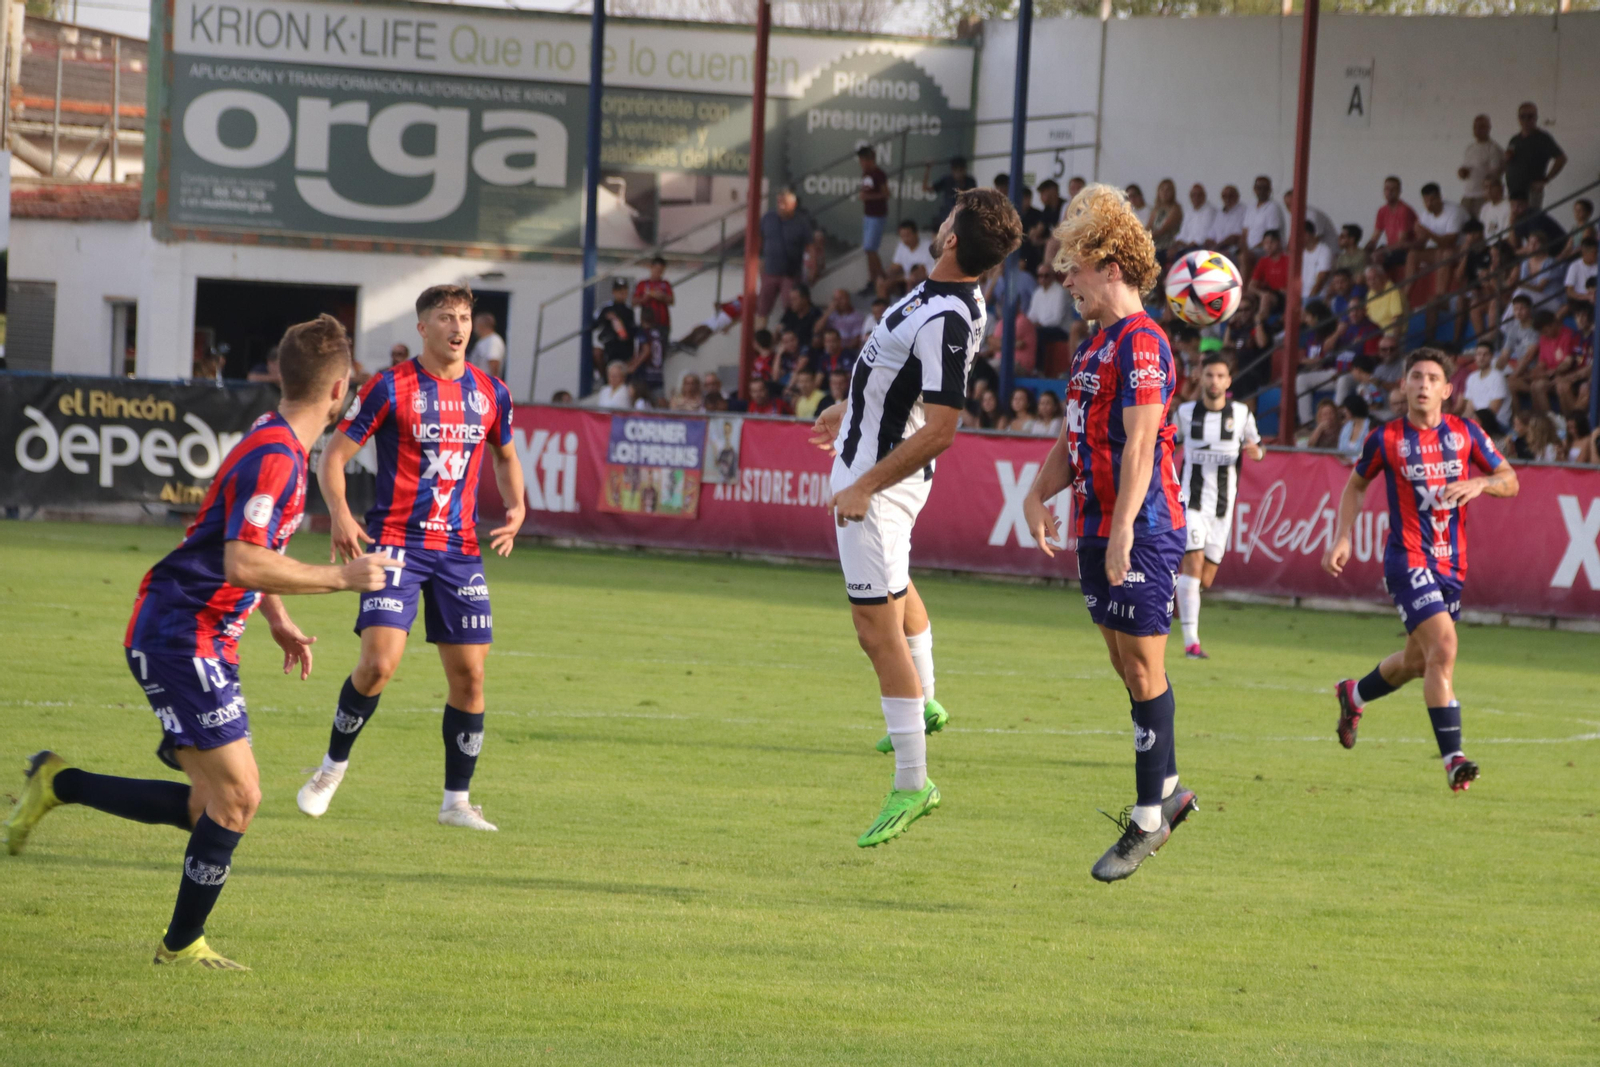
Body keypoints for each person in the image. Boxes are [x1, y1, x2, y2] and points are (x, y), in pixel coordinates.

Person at [3, 315, 397, 970]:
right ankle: (180, 944)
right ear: (341, 391)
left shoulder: (275, 445)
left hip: (199, 631)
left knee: (205, 804)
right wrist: (339, 577)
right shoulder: (276, 458)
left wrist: (273, 616)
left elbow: (238, 550)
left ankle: (57, 781)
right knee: (239, 797)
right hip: (181, 633)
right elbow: (243, 560)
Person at [807, 187, 1020, 849]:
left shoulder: (949, 314)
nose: (942, 221)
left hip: (878, 483)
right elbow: (900, 375)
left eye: (950, 217)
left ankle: (912, 781)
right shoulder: (940, 297)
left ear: (954, 239)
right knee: (897, 594)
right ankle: (924, 700)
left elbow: (946, 426)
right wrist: (852, 406)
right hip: (872, 456)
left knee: (875, 630)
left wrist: (865, 484)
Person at [296, 285, 527, 832]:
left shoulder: (492, 392)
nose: (459, 326)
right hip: (397, 542)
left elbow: (507, 456)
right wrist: (343, 514)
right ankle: (330, 768)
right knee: (378, 665)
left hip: (460, 549)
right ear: (422, 328)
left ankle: (456, 802)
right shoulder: (388, 387)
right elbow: (334, 456)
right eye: (446, 316)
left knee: (471, 677)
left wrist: (517, 508)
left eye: (466, 317)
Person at [1021, 184, 1195, 883]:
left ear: (1111, 268)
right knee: (1126, 668)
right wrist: (1037, 493)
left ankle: (1149, 818)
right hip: (1095, 528)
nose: (1066, 279)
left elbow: (1142, 444)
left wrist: (1124, 529)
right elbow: (1073, 439)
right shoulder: (1093, 349)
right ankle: (1171, 787)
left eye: (1075, 267)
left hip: (1143, 527)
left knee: (1146, 667)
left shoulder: (1145, 342)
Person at [1323, 348, 1519, 792]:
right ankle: (1454, 759)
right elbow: (1355, 485)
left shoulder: (1467, 433)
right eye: (1416, 376)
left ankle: (1353, 694)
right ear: (1404, 386)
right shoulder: (1387, 438)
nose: (1424, 384)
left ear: (1448, 389)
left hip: (1453, 564)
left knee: (1416, 662)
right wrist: (1342, 536)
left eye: (1433, 377)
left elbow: (1510, 478)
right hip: (1407, 559)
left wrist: (1482, 482)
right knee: (1444, 649)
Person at [1172, 354, 1264, 660]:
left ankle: (1175, 588)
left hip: (1223, 508)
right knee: (1194, 567)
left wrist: (1256, 453)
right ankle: (1191, 643)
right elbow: (1167, 445)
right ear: (1200, 377)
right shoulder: (1185, 413)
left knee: (1204, 580)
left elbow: (1258, 448)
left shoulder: (1240, 415)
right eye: (1209, 375)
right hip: (1191, 501)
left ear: (1228, 381)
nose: (1214, 381)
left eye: (1220, 376)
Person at [758, 188, 814, 319]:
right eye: (779, 202)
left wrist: (812, 267)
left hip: (791, 274)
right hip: (769, 272)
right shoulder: (768, 218)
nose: (781, 206)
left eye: (785, 203)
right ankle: (760, 336)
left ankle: (789, 331)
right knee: (762, 308)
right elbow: (759, 242)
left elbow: (810, 246)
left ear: (793, 204)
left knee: (791, 306)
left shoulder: (801, 222)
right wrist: (760, 264)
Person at [1504, 102, 1566, 211]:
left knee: (1531, 221)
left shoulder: (1542, 138)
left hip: (1531, 191)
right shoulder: (1514, 139)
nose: (1526, 120)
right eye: (1523, 116)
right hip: (1513, 191)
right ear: (1518, 118)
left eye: (1530, 116)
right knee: (1515, 223)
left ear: (1536, 118)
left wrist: (1546, 179)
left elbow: (1561, 158)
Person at [1365, 176, 1419, 276]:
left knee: (1377, 257)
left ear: (1399, 191)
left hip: (1407, 251)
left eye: (1393, 189)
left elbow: (1402, 242)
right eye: (1387, 189)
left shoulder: (1404, 210)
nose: (1389, 192)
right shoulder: (1382, 211)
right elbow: (1375, 237)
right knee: (1363, 258)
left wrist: (1382, 251)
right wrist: (1365, 250)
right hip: (1391, 249)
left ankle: (1384, 288)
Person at [858, 146, 891, 294]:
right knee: (868, 249)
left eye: (863, 160)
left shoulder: (879, 174)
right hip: (868, 214)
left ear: (869, 160)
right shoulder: (866, 173)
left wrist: (869, 197)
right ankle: (873, 279)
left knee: (871, 248)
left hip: (877, 215)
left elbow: (886, 194)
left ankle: (880, 278)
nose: (861, 163)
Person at [1458, 114, 1503, 218]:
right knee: (1466, 228)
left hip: (1483, 196)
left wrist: (1490, 194)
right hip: (1468, 195)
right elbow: (1465, 171)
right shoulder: (1470, 148)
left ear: (1489, 128)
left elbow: (1495, 174)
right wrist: (1462, 173)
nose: (1478, 130)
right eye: (1475, 127)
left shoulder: (1493, 148)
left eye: (1482, 127)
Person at [593, 281, 636, 377]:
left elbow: (631, 333)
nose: (621, 293)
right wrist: (607, 318)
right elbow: (595, 323)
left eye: (624, 290)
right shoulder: (606, 308)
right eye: (619, 290)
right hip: (609, 348)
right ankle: (605, 379)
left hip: (625, 351)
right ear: (613, 292)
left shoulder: (629, 311)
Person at [923, 156, 976, 228]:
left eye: (961, 170)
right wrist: (928, 169)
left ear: (965, 170)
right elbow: (926, 189)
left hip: (964, 217)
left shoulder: (970, 181)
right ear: (952, 171)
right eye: (956, 170)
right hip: (947, 216)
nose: (959, 174)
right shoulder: (946, 180)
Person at [674, 296, 743, 351]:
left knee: (708, 329)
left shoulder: (748, 304)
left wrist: (729, 326)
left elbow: (740, 317)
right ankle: (682, 342)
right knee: (700, 327)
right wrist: (719, 305)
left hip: (727, 318)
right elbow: (725, 304)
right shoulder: (740, 298)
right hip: (721, 314)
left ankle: (694, 344)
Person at [629, 307, 667, 401]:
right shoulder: (659, 333)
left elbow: (646, 350)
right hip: (658, 374)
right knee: (658, 406)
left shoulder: (643, 332)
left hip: (645, 375)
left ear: (641, 318)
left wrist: (633, 366)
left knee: (642, 404)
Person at [1027, 265, 1071, 345]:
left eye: (1046, 276)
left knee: (1038, 333)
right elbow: (1032, 315)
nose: (1043, 279)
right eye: (1040, 276)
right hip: (1043, 328)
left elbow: (1057, 319)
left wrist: (1040, 324)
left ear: (1052, 276)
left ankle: (1039, 358)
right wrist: (1030, 324)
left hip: (1061, 330)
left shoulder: (1060, 292)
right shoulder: (1037, 292)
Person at [1171, 183, 1217, 261]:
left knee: (1185, 259)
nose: (1196, 198)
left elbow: (1203, 236)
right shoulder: (1189, 212)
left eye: (1199, 195)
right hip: (1186, 247)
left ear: (1204, 196)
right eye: (1193, 195)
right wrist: (1178, 243)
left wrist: (1186, 245)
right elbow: (1183, 232)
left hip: (1200, 247)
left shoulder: (1210, 211)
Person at [632, 257, 675, 337]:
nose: (658, 273)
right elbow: (633, 302)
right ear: (651, 268)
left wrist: (662, 296)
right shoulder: (642, 284)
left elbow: (672, 301)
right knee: (646, 347)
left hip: (663, 324)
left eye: (661, 271)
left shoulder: (665, 284)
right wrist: (645, 298)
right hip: (646, 324)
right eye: (657, 269)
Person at [1207, 183, 1246, 261]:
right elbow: (1210, 236)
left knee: (1218, 258)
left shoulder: (1243, 210)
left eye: (1230, 196)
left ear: (1237, 197)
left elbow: (1235, 237)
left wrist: (1218, 246)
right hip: (1218, 248)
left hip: (1234, 248)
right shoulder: (1219, 213)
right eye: (1224, 196)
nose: (1227, 198)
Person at [890, 219, 937, 283]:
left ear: (916, 233)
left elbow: (930, 271)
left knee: (912, 280)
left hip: (924, 281)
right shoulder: (901, 246)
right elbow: (895, 266)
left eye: (908, 235)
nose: (905, 239)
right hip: (904, 279)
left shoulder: (928, 246)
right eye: (902, 236)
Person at [1147, 179, 1184, 259]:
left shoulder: (1175, 209)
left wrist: (1145, 238)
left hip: (1167, 247)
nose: (1165, 192)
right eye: (1162, 189)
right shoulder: (1156, 209)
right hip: (1154, 246)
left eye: (1168, 190)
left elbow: (1163, 230)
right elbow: (1149, 226)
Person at [466, 311, 505, 379]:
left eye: (475, 325)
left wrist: (493, 385)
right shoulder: (483, 341)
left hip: (486, 384)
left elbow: (494, 362)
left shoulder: (493, 341)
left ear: (482, 325)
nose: (474, 329)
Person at [1335, 394, 1371, 461]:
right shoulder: (1346, 427)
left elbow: (1370, 451)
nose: (1344, 412)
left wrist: (1352, 461)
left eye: (1345, 409)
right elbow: (1340, 449)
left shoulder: (1370, 426)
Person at [1478, 176, 1512, 243]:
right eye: (1486, 187)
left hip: (1502, 246)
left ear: (1501, 187)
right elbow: (1481, 233)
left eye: (1492, 186)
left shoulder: (1508, 206)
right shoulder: (1485, 208)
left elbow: (1507, 235)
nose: (1489, 190)